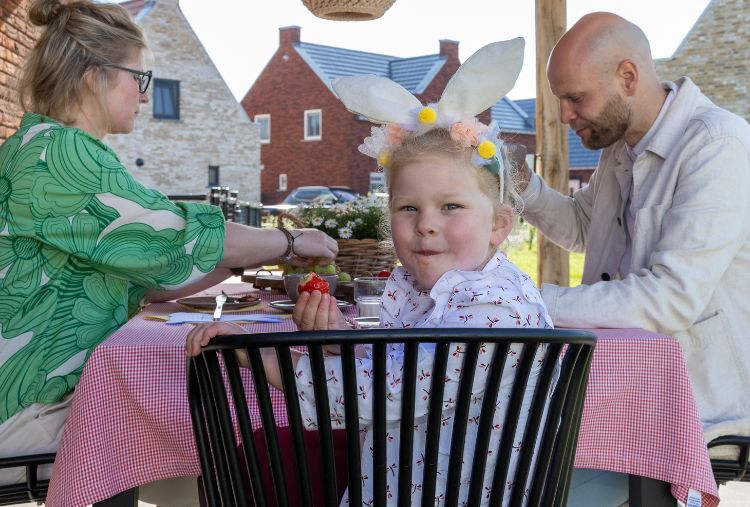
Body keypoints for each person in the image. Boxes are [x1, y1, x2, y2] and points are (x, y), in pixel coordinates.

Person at [188, 39, 555, 506]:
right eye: (408, 207)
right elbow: (404, 367)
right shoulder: (446, 291)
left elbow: (378, 396)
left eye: (451, 207)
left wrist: (254, 354)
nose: (426, 223)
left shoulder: (492, 309)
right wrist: (340, 336)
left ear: (500, 224)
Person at [0, 0, 337, 503]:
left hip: (35, 396)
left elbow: (157, 276)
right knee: (230, 416)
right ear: (95, 76)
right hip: (20, 414)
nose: (144, 93)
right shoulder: (58, 155)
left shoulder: (46, 147)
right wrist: (290, 241)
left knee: (204, 410)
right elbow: (177, 234)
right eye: (140, 77)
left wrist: (247, 258)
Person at [516, 11, 750, 505]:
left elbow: (669, 300)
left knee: (529, 467)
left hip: (699, 400)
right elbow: (584, 229)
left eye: (575, 97)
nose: (564, 115)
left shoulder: (719, 144)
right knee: (507, 439)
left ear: (627, 77)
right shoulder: (619, 146)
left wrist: (528, 303)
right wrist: (521, 185)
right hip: (632, 379)